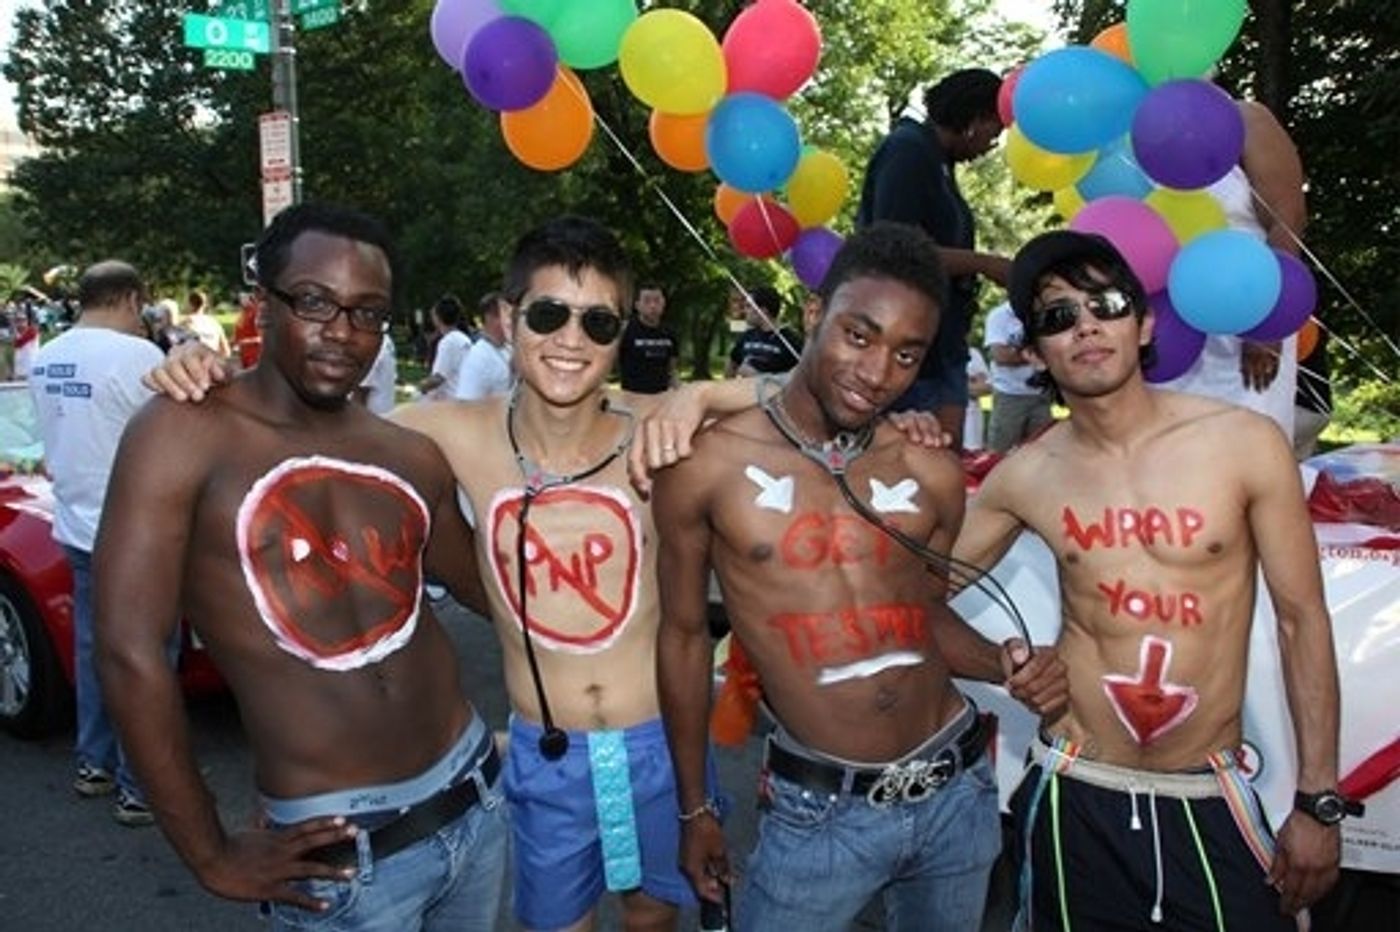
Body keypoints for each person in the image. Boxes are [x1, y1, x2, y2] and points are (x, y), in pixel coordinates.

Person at [95, 203, 509, 928]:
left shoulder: (407, 453)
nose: (342, 333)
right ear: (264, 299)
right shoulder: (184, 433)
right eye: (315, 302)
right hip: (340, 860)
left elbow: (492, 591)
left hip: (476, 806)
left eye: (368, 312)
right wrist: (211, 853)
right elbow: (130, 654)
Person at [653, 222, 1068, 932]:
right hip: (818, 815)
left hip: (955, 794)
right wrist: (695, 808)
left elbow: (925, 617)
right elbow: (686, 638)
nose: (878, 373)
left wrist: (1009, 663)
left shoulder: (930, 469)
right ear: (815, 316)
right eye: (859, 336)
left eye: (907, 354)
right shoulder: (704, 466)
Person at [954, 231, 1347, 930]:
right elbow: (909, 590)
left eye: (1104, 303)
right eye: (1057, 316)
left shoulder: (1245, 444)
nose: (1085, 327)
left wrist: (1319, 800)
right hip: (1076, 785)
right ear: (1037, 350)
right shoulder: (1027, 474)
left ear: (1144, 323)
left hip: (1208, 791)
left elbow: (1301, 619)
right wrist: (1003, 660)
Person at [28, 260, 167, 827]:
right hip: (140, 533)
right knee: (148, 657)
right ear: (132, 299)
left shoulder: (48, 357)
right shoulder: (139, 357)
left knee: (94, 650)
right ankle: (140, 786)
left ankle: (95, 763)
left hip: (76, 524)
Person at [856, 67, 1010, 448]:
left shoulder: (940, 162)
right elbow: (895, 246)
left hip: (943, 343)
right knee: (909, 461)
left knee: (943, 460)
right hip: (909, 345)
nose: (992, 145)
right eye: (994, 133)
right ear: (974, 121)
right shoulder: (908, 151)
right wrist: (985, 264)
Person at [1156, 99, 1308, 440]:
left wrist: (1269, 321)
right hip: (1169, 319)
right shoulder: (1139, 135)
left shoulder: (1247, 119)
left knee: (1250, 439)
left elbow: (1288, 220)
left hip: (1247, 311)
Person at [983, 300, 1052, 452]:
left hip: (1041, 394)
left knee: (1042, 450)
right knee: (1000, 452)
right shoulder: (999, 316)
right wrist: (1040, 354)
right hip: (1010, 395)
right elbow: (1000, 355)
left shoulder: (1042, 313)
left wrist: (1023, 353)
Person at [724, 285, 802, 377]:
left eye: (748, 306)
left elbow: (802, 378)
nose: (744, 311)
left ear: (763, 310)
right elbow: (732, 364)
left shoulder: (791, 340)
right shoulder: (747, 336)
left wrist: (758, 376)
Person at [617, 282, 680, 394]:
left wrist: (678, 392)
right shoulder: (625, 330)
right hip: (632, 400)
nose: (652, 306)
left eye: (657, 300)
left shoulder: (669, 333)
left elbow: (672, 370)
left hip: (662, 400)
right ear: (637, 305)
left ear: (664, 303)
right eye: (647, 301)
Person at [452, 291, 513, 401]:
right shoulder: (477, 358)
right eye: (509, 316)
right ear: (491, 317)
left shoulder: (508, 349)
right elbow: (466, 405)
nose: (513, 321)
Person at [417, 295, 471, 400]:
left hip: (450, 402)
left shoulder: (448, 342)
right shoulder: (464, 339)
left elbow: (438, 378)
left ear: (438, 317)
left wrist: (420, 386)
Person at [1293, 328, 1331, 460]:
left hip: (1299, 411)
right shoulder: (1310, 322)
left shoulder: (1299, 326)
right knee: (1296, 469)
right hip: (1318, 411)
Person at [356, 331, 398, 415]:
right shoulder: (387, 341)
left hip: (369, 419)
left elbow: (360, 393)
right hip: (384, 415)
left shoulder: (372, 345)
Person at [182, 289, 231, 357]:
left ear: (190, 304)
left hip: (194, 361)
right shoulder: (215, 323)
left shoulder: (186, 322)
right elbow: (226, 352)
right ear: (204, 305)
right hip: (212, 361)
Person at [965, 345, 991, 451]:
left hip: (971, 430)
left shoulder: (972, 353)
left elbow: (986, 388)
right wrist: (969, 380)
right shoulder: (931, 353)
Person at [232, 290, 264, 369]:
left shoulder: (256, 312)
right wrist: (233, 341)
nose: (240, 299)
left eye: (243, 296)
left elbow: (263, 338)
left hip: (254, 356)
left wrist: (245, 341)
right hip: (243, 356)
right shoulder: (244, 312)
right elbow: (240, 332)